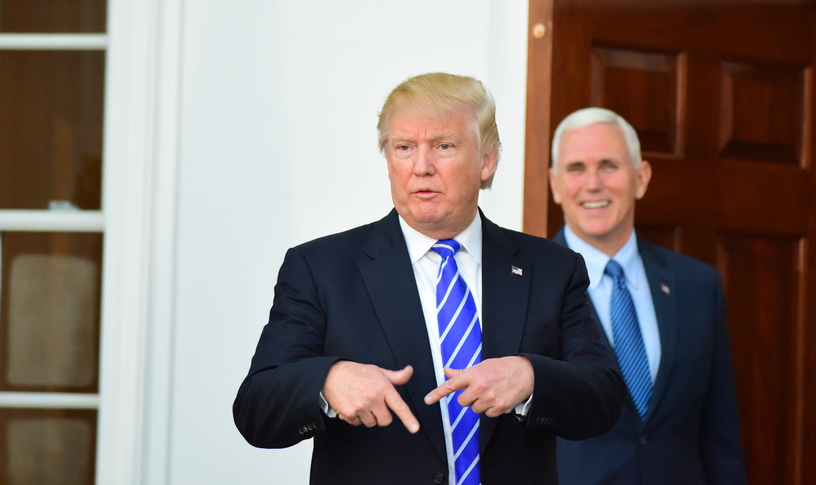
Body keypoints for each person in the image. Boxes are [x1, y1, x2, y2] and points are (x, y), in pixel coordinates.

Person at [234, 73, 623, 485]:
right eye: (404, 148)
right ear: (388, 160)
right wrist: (327, 383)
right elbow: (256, 410)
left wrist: (530, 377)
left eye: (444, 146)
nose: (421, 167)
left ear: (487, 160)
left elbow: (603, 396)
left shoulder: (552, 268)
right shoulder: (320, 268)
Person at [550, 107, 747, 485]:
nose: (593, 184)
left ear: (641, 178)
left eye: (609, 165)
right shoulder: (528, 287)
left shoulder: (698, 286)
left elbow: (722, 440)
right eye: (576, 169)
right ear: (555, 185)